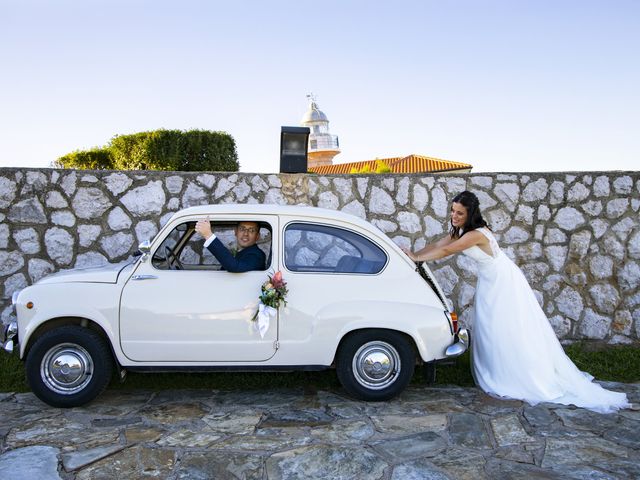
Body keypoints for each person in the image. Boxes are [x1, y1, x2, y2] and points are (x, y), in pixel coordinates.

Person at [403, 191, 631, 414]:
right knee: (490, 328)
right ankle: (498, 370)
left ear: (470, 214)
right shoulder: (463, 230)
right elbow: (439, 243)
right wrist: (414, 254)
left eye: (460, 213)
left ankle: (516, 376)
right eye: (453, 211)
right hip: (489, 281)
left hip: (503, 282)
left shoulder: (476, 235)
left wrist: (417, 258)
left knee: (507, 328)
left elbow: (445, 251)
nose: (454, 216)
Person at [195, 218, 266, 272]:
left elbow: (235, 267)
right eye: (242, 229)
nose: (245, 234)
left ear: (257, 236)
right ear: (236, 232)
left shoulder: (256, 255)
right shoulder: (242, 252)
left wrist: (208, 235)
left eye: (251, 230)